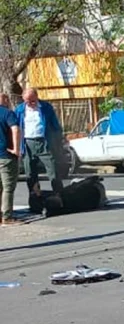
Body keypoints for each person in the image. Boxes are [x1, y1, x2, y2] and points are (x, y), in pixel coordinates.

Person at [15, 88, 64, 201]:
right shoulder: (20, 110)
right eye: (27, 101)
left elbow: (55, 125)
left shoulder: (46, 107)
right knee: (30, 173)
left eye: (32, 101)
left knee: (52, 169)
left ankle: (59, 195)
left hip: (44, 141)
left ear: (37, 97)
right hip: (27, 142)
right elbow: (15, 127)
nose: (30, 103)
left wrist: (59, 138)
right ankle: (35, 197)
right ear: (23, 99)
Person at [0, 97, 21, 226]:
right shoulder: (7, 113)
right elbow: (16, 129)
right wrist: (16, 149)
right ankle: (7, 217)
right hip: (5, 155)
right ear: (6, 100)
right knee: (8, 187)